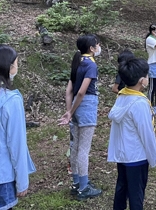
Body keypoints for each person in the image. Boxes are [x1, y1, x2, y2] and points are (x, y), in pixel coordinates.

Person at [0, 45, 35, 209]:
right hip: (0, 177)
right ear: (8, 67)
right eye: (16, 63)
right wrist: (22, 181)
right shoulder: (11, 100)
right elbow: (16, 143)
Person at [108, 57, 156, 210]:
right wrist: (153, 156)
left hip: (123, 155)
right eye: (147, 75)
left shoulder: (122, 96)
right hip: (137, 156)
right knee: (136, 195)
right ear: (142, 80)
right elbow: (146, 133)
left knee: (122, 189)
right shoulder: (139, 103)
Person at [58, 34, 102, 200]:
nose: (98, 48)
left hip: (76, 109)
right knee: (84, 149)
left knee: (76, 146)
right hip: (86, 107)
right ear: (91, 48)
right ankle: (84, 188)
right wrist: (72, 110)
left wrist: (70, 111)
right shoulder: (90, 65)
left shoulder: (77, 62)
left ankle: (77, 182)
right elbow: (82, 91)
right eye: (97, 45)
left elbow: (69, 91)